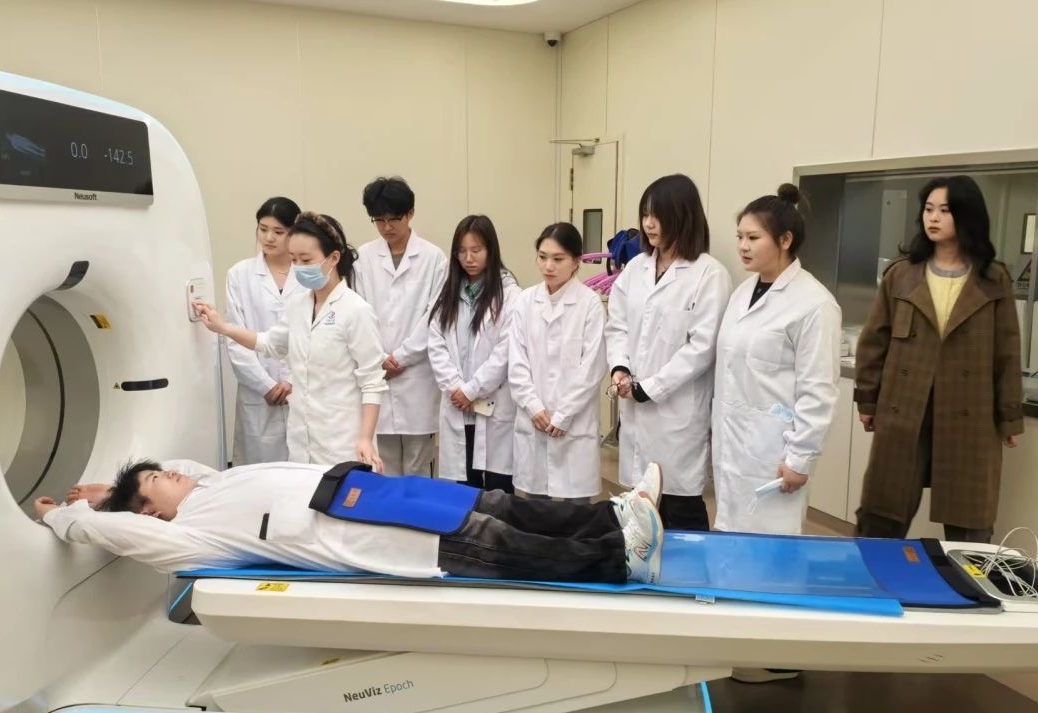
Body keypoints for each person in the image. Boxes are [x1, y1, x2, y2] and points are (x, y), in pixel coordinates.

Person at [33, 459, 666, 584]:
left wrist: (112, 484)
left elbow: (180, 464)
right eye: (156, 482)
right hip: (367, 531)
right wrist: (71, 513)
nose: (171, 473)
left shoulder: (211, 482)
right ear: (151, 511)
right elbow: (116, 531)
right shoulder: (187, 533)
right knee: (495, 541)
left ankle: (614, 514)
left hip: (371, 491)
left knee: (496, 503)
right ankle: (620, 557)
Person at [854, 175, 1024, 544]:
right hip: (904, 407)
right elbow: (874, 341)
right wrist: (867, 399)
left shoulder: (993, 278)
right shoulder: (901, 274)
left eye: (945, 210)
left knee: (970, 522)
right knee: (882, 512)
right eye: (929, 209)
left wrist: (1009, 415)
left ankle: (964, 580)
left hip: (970, 413)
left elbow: (1007, 352)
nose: (933, 217)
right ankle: (872, 575)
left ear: (967, 215)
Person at [194, 212, 387, 469]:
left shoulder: (356, 311)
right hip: (301, 440)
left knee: (342, 493)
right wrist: (223, 327)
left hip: (343, 440)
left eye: (306, 260)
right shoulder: (298, 306)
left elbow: (372, 382)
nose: (299, 268)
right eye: (294, 260)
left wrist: (365, 439)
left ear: (333, 258)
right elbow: (270, 343)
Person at [712, 184, 841, 538]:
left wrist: (800, 459)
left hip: (775, 454)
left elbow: (818, 392)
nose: (743, 246)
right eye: (740, 236)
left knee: (770, 550)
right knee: (730, 544)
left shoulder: (814, 304)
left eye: (753, 238)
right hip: (733, 445)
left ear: (785, 240)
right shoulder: (743, 293)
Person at [605, 174, 732, 531]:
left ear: (682, 216)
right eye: (645, 214)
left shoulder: (709, 274)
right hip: (635, 407)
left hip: (677, 415)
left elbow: (701, 348)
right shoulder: (636, 269)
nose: (648, 224)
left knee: (680, 508)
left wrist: (649, 388)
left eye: (657, 215)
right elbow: (618, 326)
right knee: (640, 508)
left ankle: (693, 569)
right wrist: (620, 369)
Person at [354, 177, 448, 477]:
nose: (386, 227)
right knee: (383, 465)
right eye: (378, 220)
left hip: (417, 375)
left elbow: (435, 316)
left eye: (394, 218)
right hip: (377, 371)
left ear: (410, 213)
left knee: (418, 465)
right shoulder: (363, 258)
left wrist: (402, 357)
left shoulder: (433, 258)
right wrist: (380, 358)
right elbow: (358, 313)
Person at [508, 223, 607, 503]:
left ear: (576, 262)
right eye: (542, 257)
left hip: (574, 424)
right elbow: (517, 362)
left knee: (577, 509)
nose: (548, 266)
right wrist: (533, 406)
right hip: (534, 420)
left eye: (558, 259)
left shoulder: (590, 304)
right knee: (535, 507)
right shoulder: (526, 301)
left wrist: (564, 414)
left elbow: (592, 367)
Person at [428, 215, 521, 492]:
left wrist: (472, 390)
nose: (468, 258)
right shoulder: (446, 293)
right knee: (461, 491)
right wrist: (456, 388)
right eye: (461, 251)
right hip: (457, 404)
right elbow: (436, 344)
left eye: (476, 250)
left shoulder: (511, 295)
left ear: (491, 250)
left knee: (498, 491)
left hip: (492, 404)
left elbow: (505, 350)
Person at [225, 196, 307, 465]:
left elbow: (317, 335)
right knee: (259, 472)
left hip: (302, 388)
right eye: (263, 229)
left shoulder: (308, 273)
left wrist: (292, 381)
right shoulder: (240, 274)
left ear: (294, 232)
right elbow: (235, 338)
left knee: (303, 472)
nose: (269, 237)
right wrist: (266, 385)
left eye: (279, 232)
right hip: (258, 394)